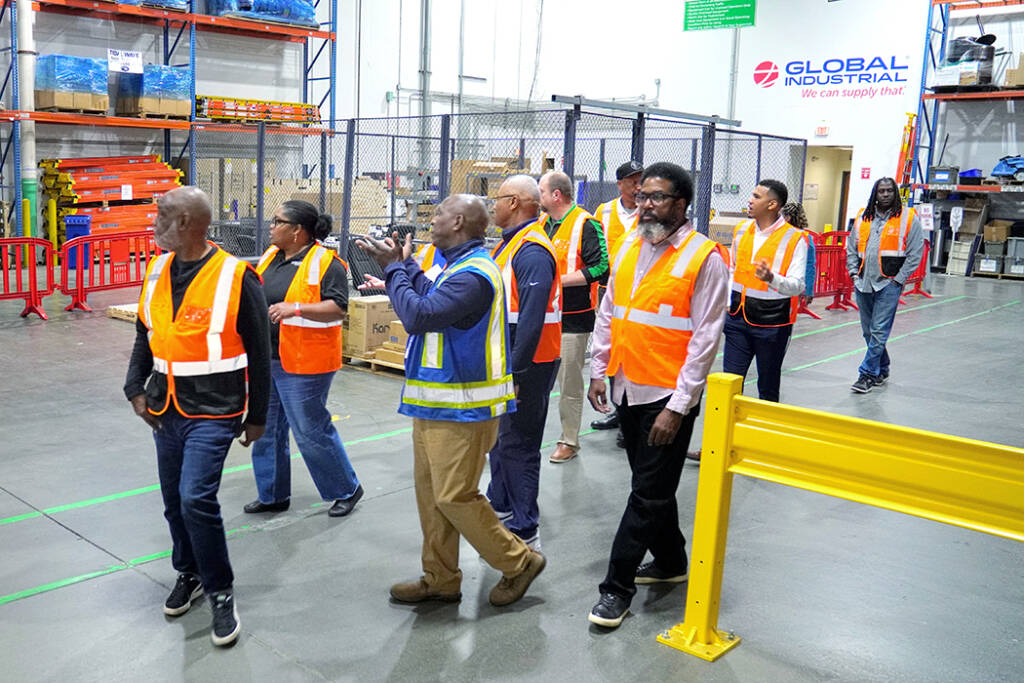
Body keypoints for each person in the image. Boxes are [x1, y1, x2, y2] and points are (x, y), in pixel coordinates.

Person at [356, 194, 546, 608]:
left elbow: (420, 315)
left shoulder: (475, 274)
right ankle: (440, 577)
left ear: (458, 221)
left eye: (438, 214)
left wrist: (393, 271)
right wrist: (403, 267)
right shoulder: (457, 268)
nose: (431, 220)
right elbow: (428, 297)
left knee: (454, 495)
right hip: (433, 402)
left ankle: (519, 562)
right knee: (431, 495)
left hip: (463, 407)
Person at [123, 186, 271, 647]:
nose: (154, 223)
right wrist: (134, 386)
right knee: (173, 500)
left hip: (215, 408)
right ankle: (189, 572)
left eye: (161, 215)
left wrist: (257, 417)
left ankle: (221, 589)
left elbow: (261, 353)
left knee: (195, 498)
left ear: (187, 222)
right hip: (165, 406)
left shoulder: (235, 276)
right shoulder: (158, 268)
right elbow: (145, 332)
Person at [585, 162, 729, 629]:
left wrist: (679, 405)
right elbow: (610, 310)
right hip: (627, 384)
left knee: (646, 493)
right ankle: (670, 560)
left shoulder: (704, 257)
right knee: (654, 487)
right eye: (642, 195)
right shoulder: (631, 242)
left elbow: (706, 339)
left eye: (657, 197)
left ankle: (616, 588)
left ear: (681, 203)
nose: (645, 203)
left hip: (666, 396)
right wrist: (599, 368)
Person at [245, 200, 363, 517]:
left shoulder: (327, 263)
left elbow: (338, 308)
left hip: (306, 363)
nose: (270, 225)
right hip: (269, 357)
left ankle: (346, 489)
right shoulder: (271, 256)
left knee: (309, 430)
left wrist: (294, 309)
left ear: (297, 231)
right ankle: (272, 494)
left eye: (277, 221)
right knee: (267, 429)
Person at [487, 175, 561, 551]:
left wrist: (516, 373)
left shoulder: (531, 251)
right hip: (510, 357)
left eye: (497, 199)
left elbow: (531, 318)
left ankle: (526, 526)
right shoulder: (510, 246)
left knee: (519, 442)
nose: (493, 205)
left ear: (515, 202)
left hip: (528, 363)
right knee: (501, 439)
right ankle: (499, 503)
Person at [538, 171, 609, 463]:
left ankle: (569, 440)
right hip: (543, 315)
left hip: (572, 318)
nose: (537, 196)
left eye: (541, 191)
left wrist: (558, 281)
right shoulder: (543, 223)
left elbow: (602, 266)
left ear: (557, 195)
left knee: (568, 382)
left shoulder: (586, 224)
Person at [723, 180, 806, 404]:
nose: (750, 200)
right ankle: (728, 434)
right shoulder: (741, 231)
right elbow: (733, 268)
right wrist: (725, 301)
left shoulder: (795, 238)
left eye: (756, 197)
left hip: (773, 325)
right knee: (729, 382)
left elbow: (798, 285)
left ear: (772, 205)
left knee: (767, 387)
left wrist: (772, 279)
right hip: (737, 320)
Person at [846, 177, 924, 393]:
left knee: (879, 331)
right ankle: (883, 366)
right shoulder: (863, 216)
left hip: (888, 284)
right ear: (875, 193)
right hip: (863, 282)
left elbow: (915, 252)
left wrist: (899, 280)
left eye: (890, 190)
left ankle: (867, 374)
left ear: (895, 193)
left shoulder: (908, 218)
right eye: (882, 191)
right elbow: (851, 247)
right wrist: (853, 273)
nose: (886, 194)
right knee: (868, 332)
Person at [590, 160, 643, 438]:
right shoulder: (604, 211)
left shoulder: (650, 210)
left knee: (632, 349)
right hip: (609, 290)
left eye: (641, 180)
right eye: (632, 181)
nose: (638, 186)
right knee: (610, 348)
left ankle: (630, 415)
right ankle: (618, 410)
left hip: (639, 292)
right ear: (620, 184)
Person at [782, 202, 817, 309]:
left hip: (789, 284)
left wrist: (809, 290)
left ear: (787, 218)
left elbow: (809, 265)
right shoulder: (777, 235)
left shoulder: (803, 238)